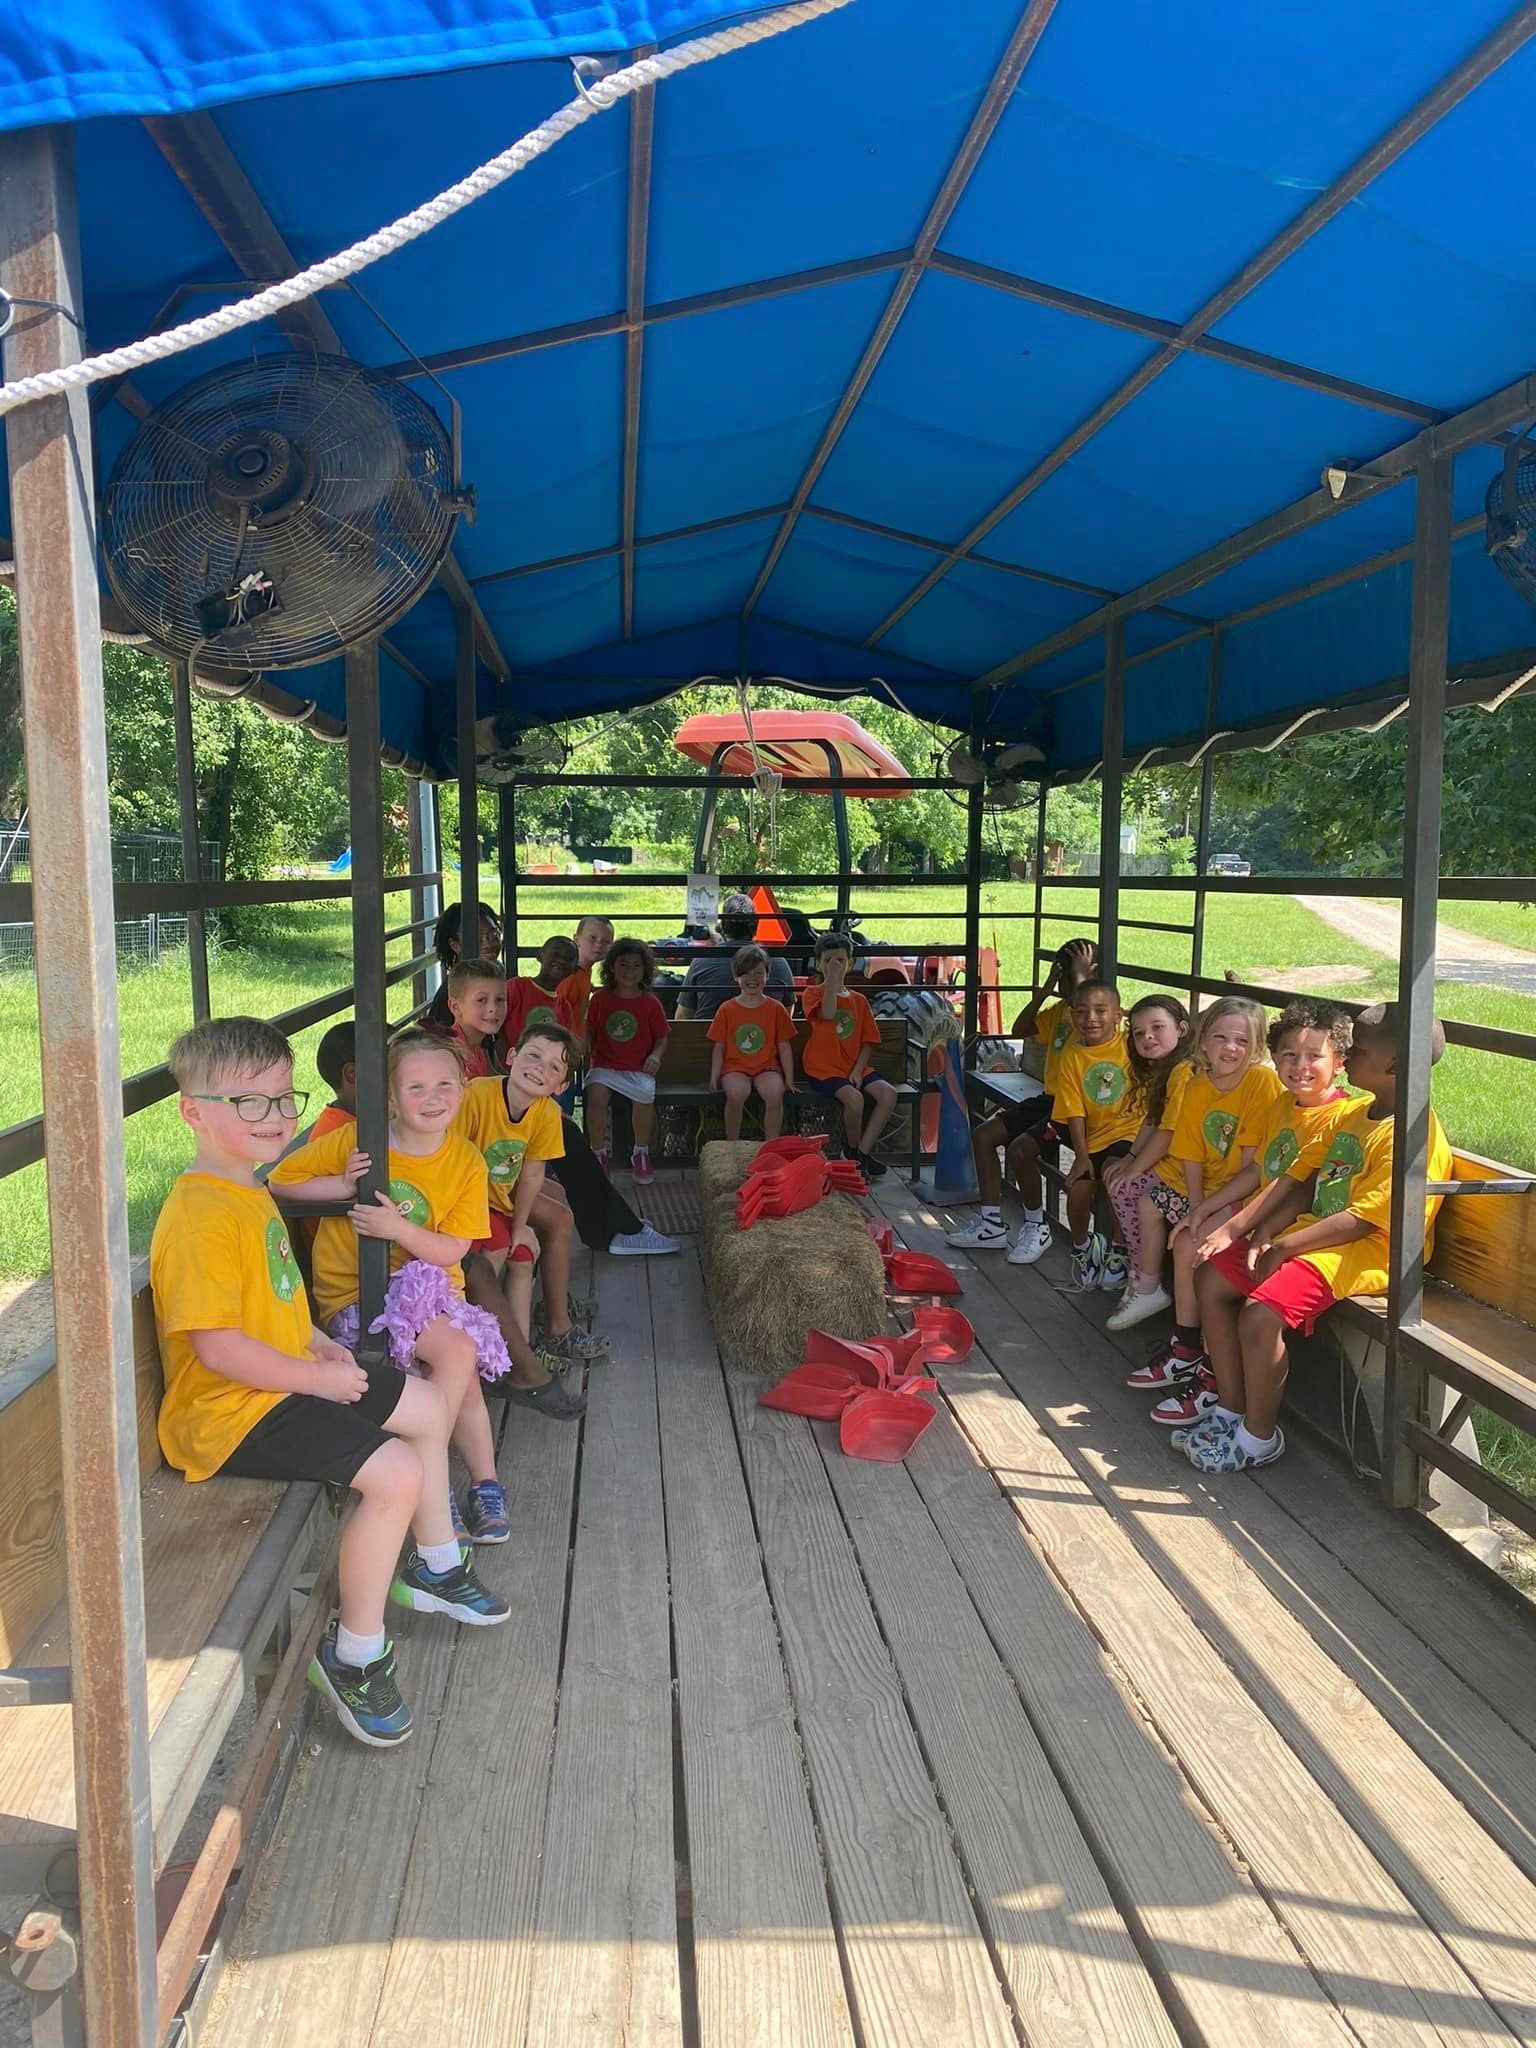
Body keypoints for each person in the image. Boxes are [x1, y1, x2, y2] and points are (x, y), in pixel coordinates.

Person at [151, 1016, 506, 1752]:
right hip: (231, 1413)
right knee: (397, 1472)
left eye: (285, 1099)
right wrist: (316, 1378)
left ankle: (436, 1562)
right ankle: (356, 1655)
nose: (276, 1116)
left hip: (283, 1375)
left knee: (429, 1404)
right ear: (192, 1113)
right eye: (250, 1102)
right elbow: (217, 1348)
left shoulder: (248, 1187)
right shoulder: (199, 1215)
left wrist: (319, 1346)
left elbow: (278, 1301)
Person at [1181, 1001, 1452, 1473]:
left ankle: (1258, 1437)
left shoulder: (1412, 1134)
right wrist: (1262, 1231)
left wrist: (1285, 1246)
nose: (1349, 1054)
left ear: (1394, 1064)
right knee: (1211, 1278)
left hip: (1368, 1252)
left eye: (1359, 1049)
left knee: (1260, 1315)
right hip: (1316, 1239)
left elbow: (1366, 1220)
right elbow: (1301, 1178)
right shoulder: (1359, 1113)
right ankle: (1230, 1407)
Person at [271, 1029, 515, 1548]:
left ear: (464, 1088)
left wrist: (398, 1230)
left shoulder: (465, 1160)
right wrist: (342, 1185)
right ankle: (438, 1490)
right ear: (390, 1096)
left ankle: (481, 1484)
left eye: (445, 1085)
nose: (433, 1098)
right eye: (416, 1087)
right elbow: (281, 1181)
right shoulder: (359, 1141)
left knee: (462, 1368)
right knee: (458, 1358)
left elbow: (454, 1249)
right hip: (361, 1296)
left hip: (432, 1291)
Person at [1144, 997, 1356, 1427]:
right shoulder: (1284, 1105)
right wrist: (1203, 1208)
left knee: (1204, 1256)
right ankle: (1213, 1379)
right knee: (1200, 1254)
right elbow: (1261, 1169)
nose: (1300, 1066)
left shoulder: (1340, 1116)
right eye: (1289, 1055)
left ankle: (1211, 1377)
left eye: (1313, 1056)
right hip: (1264, 1217)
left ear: (1339, 1062)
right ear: (1274, 1058)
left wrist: (1239, 1226)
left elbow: (1295, 1185)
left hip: (1295, 1228)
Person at [1118, 997, 1281, 1361]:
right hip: (1208, 1191)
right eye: (1220, 1037)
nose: (1230, 1048)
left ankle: (1190, 1349)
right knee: (1175, 1223)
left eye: (1242, 1041)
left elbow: (1251, 1170)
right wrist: (1195, 1206)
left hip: (1249, 1194)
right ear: (1203, 1041)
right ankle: (1184, 1341)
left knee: (1190, 1243)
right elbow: (1189, 1153)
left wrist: (1208, 1211)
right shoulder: (1197, 1086)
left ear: (1256, 1047)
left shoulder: (1260, 1082)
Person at [452, 1021, 600, 1412]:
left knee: (521, 1252)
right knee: (492, 1255)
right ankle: (486, 1352)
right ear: (512, 1056)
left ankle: (514, 1353)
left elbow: (533, 1173)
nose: (539, 1068)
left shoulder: (547, 1114)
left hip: (498, 1202)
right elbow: (452, 1161)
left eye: (554, 1067)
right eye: (533, 1056)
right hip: (462, 1204)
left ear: (561, 1085)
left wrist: (520, 1228)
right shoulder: (477, 1096)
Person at [946, 937, 1099, 1260]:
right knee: (984, 1135)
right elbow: (1020, 1029)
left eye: (1069, 977)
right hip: (1050, 1099)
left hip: (1075, 1108)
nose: (1064, 984)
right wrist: (1045, 990)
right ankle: (991, 1224)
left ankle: (1036, 1226)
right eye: (1061, 977)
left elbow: (1088, 1032)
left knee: (1020, 1149)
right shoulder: (1059, 1011)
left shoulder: (1097, 1016)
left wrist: (1082, 981)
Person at [1101, 994, 1195, 1322]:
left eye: (1157, 1028)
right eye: (1139, 1032)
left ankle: (1145, 1282)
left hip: (1187, 1166)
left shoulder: (1184, 1071)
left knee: (1127, 1188)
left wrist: (1134, 1169)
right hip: (1176, 1160)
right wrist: (1130, 1157)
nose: (1148, 1037)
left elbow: (1168, 1133)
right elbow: (1153, 1121)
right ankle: (1140, 1275)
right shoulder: (1166, 1070)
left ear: (1182, 1029)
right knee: (1118, 1177)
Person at [1052, 978, 1142, 1292]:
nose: (1090, 1018)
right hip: (1092, 1138)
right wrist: (1081, 1156)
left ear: (1118, 1014)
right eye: (1081, 1011)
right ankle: (1083, 1249)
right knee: (1077, 1188)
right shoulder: (1072, 1056)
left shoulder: (1131, 1046)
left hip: (1129, 1134)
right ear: (1072, 1014)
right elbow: (1074, 1110)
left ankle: (1119, 1251)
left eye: (1101, 1011)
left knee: (1116, 1176)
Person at [800, 931, 896, 1178]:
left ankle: (861, 1153)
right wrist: (832, 980)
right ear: (818, 964)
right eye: (828, 961)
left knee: (888, 1094)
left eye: (840, 961)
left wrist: (857, 1070)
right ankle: (851, 1151)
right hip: (823, 1068)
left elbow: (869, 1041)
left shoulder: (860, 1000)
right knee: (855, 1099)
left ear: (850, 964)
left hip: (853, 1066)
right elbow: (828, 1013)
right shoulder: (812, 994)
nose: (835, 965)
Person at [583, 936, 671, 1184]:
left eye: (636, 965)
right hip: (604, 1065)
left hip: (638, 1067)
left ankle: (640, 1152)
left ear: (645, 969)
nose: (629, 971)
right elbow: (590, 1029)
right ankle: (598, 1152)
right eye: (623, 964)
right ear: (611, 967)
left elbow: (662, 1037)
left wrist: (655, 1056)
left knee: (644, 1094)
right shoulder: (600, 999)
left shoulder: (650, 1003)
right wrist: (584, 1044)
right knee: (596, 1094)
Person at [708, 943, 798, 1140]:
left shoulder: (776, 1009)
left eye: (758, 973)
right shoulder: (726, 1009)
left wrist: (789, 1079)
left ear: (767, 976)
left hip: (767, 1067)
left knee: (775, 1093)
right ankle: (733, 1143)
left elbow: (784, 1046)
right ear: (736, 976)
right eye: (746, 973)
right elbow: (719, 1046)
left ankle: (771, 1144)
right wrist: (714, 1076)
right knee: (736, 1094)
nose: (752, 979)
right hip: (735, 1068)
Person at [675, 894, 794, 1021]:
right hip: (764, 1033)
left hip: (709, 1034)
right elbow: (786, 1017)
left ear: (722, 926)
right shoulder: (779, 963)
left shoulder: (701, 962)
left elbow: (682, 1018)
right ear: (756, 925)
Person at [424, 900, 502, 1034]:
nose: (488, 944)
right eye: (477, 938)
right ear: (455, 945)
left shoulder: (491, 981)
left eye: (493, 935)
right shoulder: (449, 996)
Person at [506, 934, 578, 1044]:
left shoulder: (565, 1008)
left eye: (569, 959)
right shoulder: (516, 987)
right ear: (539, 956)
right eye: (555, 954)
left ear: (574, 969)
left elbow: (566, 1044)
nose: (561, 961)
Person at [444, 958, 508, 1080]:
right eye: (481, 1000)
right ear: (455, 1007)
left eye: (499, 999)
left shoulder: (477, 1047)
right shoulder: (453, 1057)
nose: (493, 1008)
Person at [556, 914, 614, 1033]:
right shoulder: (568, 977)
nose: (599, 944)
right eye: (593, 938)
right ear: (576, 940)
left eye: (606, 941)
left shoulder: (585, 971)